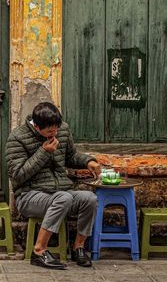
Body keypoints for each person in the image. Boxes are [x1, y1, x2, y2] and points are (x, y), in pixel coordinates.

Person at [6, 102, 101, 269]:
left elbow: (71, 156)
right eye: (50, 131)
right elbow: (18, 175)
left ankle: (78, 247)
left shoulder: (62, 129)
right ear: (37, 126)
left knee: (90, 199)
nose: (55, 133)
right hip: (29, 196)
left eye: (57, 129)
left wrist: (88, 161)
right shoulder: (17, 138)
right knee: (63, 198)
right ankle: (39, 251)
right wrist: (44, 152)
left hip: (61, 192)